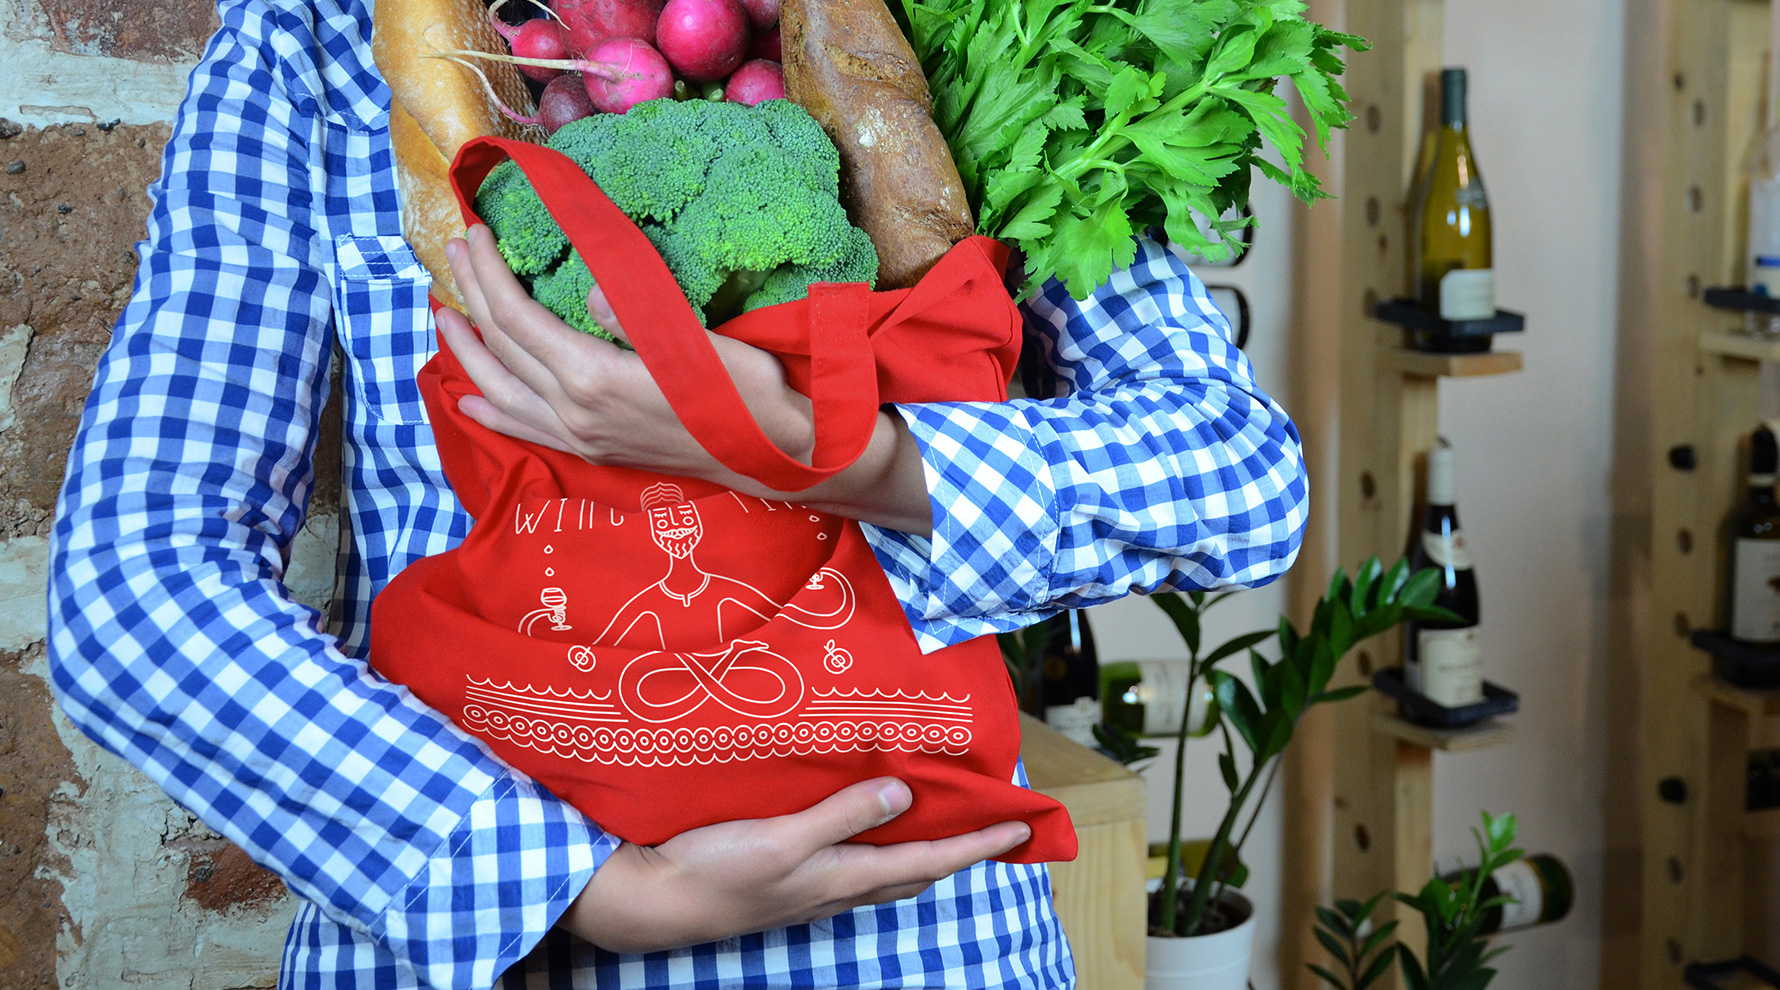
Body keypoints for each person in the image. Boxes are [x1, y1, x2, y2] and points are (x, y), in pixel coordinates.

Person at [44, 1, 1308, 987]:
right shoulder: (317, 41)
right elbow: (137, 579)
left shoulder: (954, 37)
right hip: (495, 948)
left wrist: (820, 450)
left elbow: (1242, 483)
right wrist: (577, 887)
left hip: (910, 939)